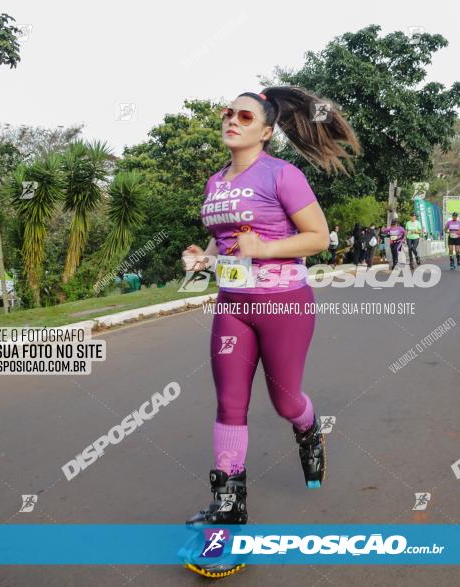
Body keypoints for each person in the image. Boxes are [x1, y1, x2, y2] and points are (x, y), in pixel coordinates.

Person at [181, 87, 360, 565]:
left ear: (265, 131)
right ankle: (229, 509)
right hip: (232, 304)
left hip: (284, 303)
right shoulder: (215, 182)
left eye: (243, 115)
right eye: (226, 113)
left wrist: (264, 249)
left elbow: (317, 238)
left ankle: (308, 427)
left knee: (285, 401)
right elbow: (224, 241)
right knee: (229, 404)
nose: (231, 120)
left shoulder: (283, 174)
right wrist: (204, 258)